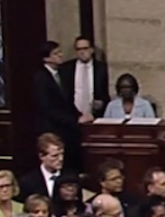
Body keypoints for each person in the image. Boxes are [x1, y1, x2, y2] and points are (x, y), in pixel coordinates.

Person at [33, 41, 91, 170]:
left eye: (60, 52)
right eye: (56, 53)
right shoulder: (41, 78)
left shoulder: (61, 75)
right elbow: (47, 108)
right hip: (52, 128)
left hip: (66, 128)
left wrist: (80, 116)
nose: (61, 55)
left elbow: (68, 102)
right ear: (46, 58)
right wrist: (74, 120)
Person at [60, 35, 109, 118]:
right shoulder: (66, 68)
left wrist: (102, 103)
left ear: (91, 50)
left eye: (85, 48)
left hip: (94, 115)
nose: (82, 52)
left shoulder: (101, 68)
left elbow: (104, 92)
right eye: (79, 49)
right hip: (72, 116)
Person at [18, 133, 70, 200]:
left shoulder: (70, 177)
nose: (61, 159)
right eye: (55, 155)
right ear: (41, 156)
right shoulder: (28, 182)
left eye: (62, 154)